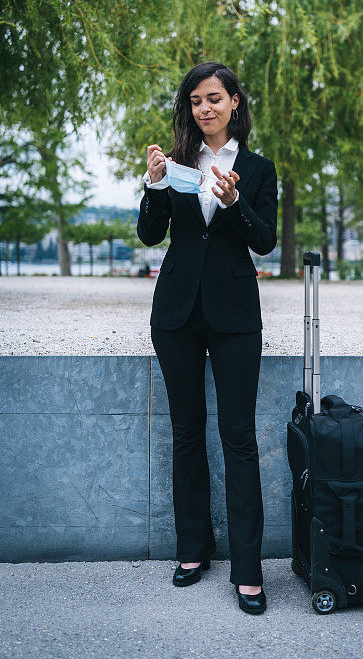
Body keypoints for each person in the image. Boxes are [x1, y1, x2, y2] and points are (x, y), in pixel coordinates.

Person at [136, 61, 278, 615]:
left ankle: (248, 569)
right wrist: (152, 186)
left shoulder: (259, 169)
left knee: (238, 437)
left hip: (236, 315)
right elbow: (151, 235)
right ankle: (193, 550)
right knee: (186, 432)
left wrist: (235, 203)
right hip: (175, 313)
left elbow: (265, 242)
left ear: (235, 102)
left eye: (215, 98)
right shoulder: (176, 166)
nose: (205, 108)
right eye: (196, 101)